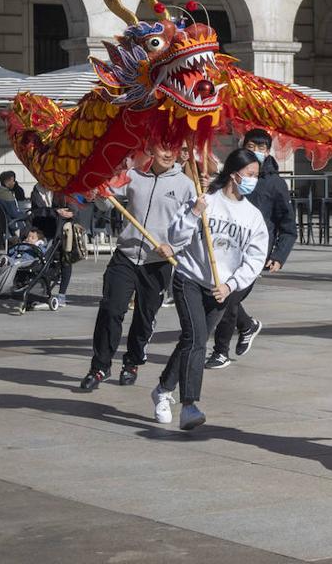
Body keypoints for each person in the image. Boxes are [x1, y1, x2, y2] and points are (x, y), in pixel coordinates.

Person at [151, 148, 269, 430]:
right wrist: (193, 213)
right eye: (250, 174)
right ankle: (189, 405)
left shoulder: (253, 217)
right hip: (189, 278)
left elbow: (255, 259)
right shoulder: (205, 201)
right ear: (234, 173)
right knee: (197, 339)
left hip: (221, 290)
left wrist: (231, 285)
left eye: (257, 175)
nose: (254, 180)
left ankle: (163, 389)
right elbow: (175, 236)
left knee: (189, 341)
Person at [80, 146, 195, 391]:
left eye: (173, 149)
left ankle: (132, 361)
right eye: (164, 147)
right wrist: (99, 193)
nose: (168, 154)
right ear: (153, 148)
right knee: (111, 309)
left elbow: (192, 224)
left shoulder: (185, 185)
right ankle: (100, 366)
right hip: (126, 256)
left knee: (145, 317)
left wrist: (173, 247)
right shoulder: (133, 174)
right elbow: (106, 202)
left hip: (157, 262)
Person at [206, 129, 297, 370]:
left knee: (229, 300)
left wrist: (278, 255)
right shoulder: (232, 176)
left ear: (268, 151)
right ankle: (247, 326)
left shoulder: (275, 184)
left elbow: (288, 224)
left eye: (261, 147)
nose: (256, 151)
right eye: (251, 146)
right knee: (222, 294)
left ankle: (220, 351)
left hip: (253, 254)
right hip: (225, 249)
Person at [0, 171, 26, 237]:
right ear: (9, 181)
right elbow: (14, 214)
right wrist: (26, 216)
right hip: (10, 225)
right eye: (13, 180)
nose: (14, 183)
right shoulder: (7, 195)